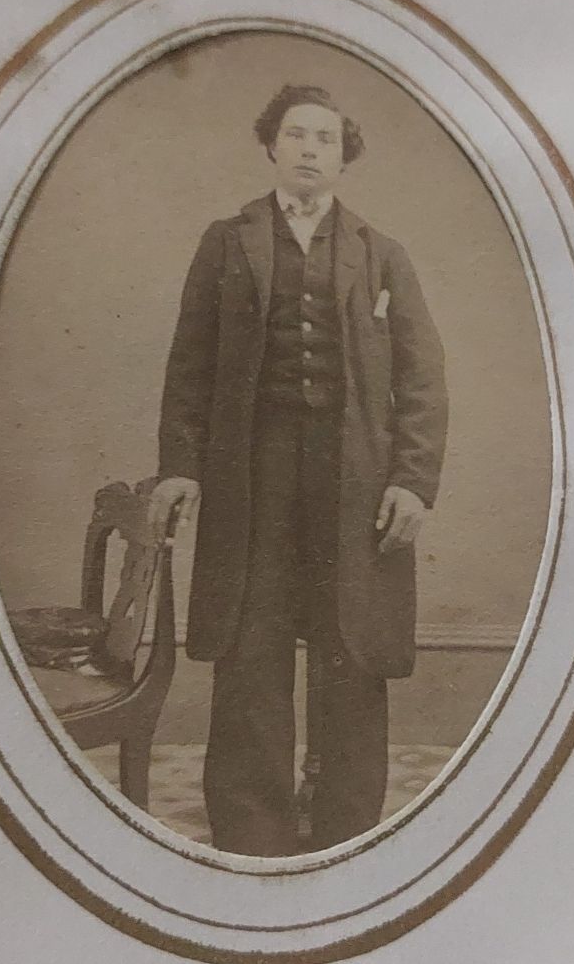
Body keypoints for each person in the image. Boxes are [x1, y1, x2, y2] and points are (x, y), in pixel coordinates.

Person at [148, 84, 448, 856]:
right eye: (296, 135)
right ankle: (252, 830)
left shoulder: (381, 252)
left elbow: (421, 379)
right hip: (253, 478)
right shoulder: (228, 242)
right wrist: (180, 466)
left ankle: (348, 827)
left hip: (356, 482)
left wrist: (412, 481)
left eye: (325, 138)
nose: (310, 149)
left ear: (344, 156)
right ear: (271, 146)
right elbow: (188, 365)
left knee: (352, 646)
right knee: (251, 643)